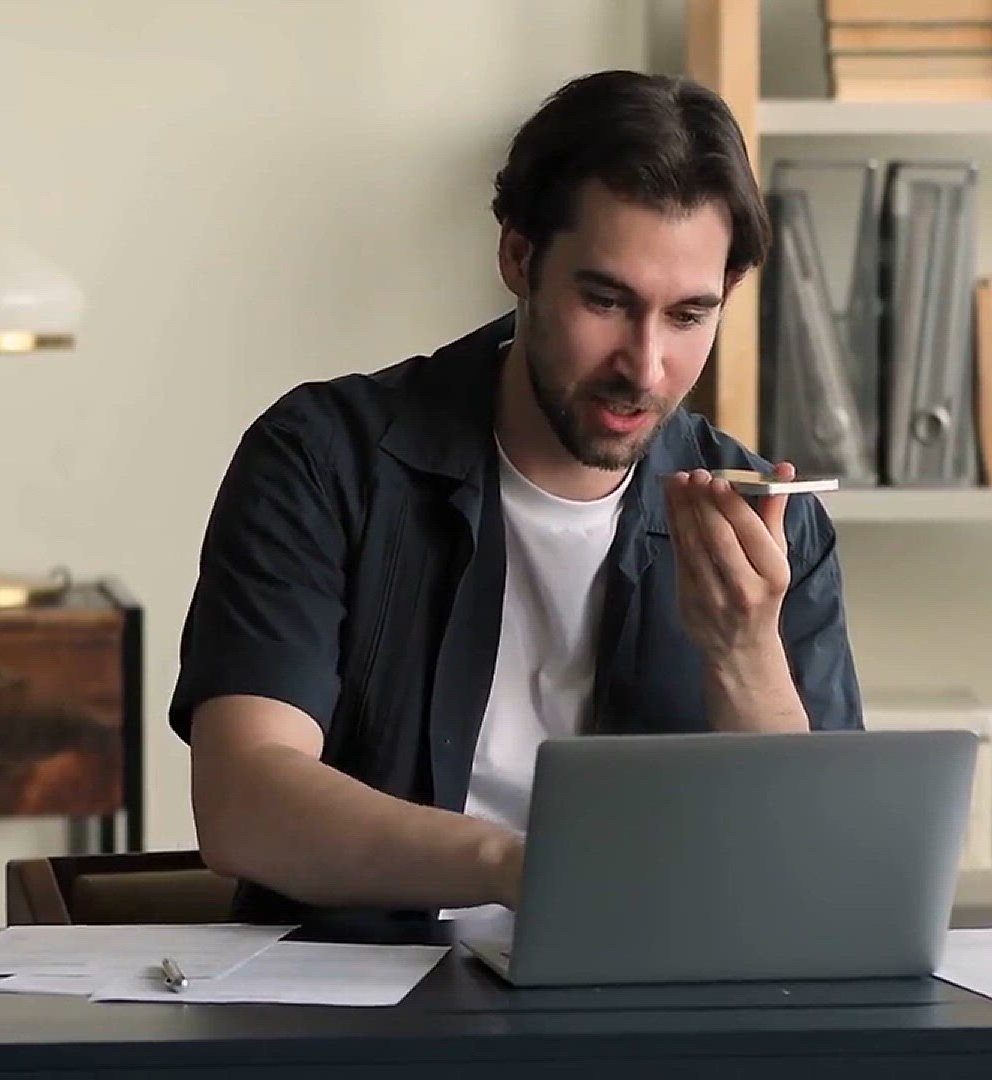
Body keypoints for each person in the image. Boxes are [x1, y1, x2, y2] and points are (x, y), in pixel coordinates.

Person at [169, 69, 862, 925]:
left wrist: (744, 652)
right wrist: (517, 868)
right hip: (360, 997)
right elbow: (244, 804)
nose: (645, 367)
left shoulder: (774, 528)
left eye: (689, 316)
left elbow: (821, 879)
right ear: (518, 258)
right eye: (605, 300)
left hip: (646, 1001)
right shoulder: (322, 459)